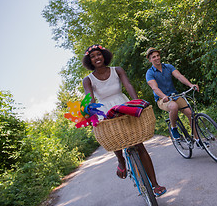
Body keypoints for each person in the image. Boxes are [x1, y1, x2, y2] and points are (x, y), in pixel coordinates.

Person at [82, 44, 166, 197]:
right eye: (92, 56)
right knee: (113, 136)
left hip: (123, 105)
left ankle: (155, 184)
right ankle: (121, 160)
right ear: (90, 61)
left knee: (139, 144)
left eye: (98, 54)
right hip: (104, 110)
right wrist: (91, 112)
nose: (96, 58)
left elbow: (127, 85)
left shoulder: (117, 70)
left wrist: (137, 103)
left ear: (104, 55)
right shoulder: (88, 79)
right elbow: (90, 97)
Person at [145, 47, 204, 147]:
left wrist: (190, 85)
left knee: (191, 114)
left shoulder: (168, 67)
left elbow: (179, 76)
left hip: (175, 95)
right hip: (162, 99)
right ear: (150, 60)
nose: (157, 58)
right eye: (153, 57)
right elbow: (155, 88)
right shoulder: (150, 73)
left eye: (158, 56)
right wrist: (163, 96)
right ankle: (174, 128)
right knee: (173, 107)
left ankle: (197, 140)